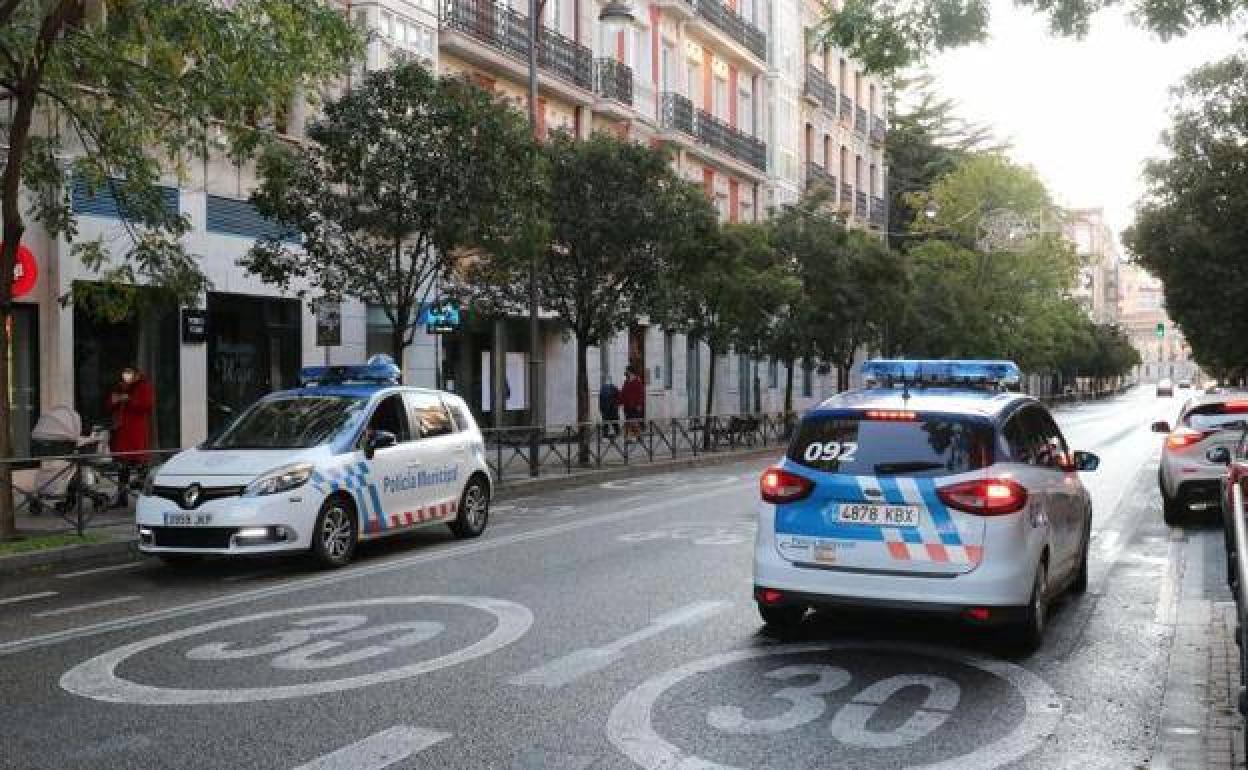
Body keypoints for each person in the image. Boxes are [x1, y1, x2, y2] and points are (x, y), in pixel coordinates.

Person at [107, 366, 154, 508]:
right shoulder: (120, 386)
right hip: (121, 430)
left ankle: (148, 499)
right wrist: (115, 401)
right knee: (122, 467)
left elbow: (147, 405)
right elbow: (110, 403)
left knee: (140, 467)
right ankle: (122, 498)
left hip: (136, 431)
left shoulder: (144, 387)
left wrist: (129, 400)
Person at [621, 367, 645, 440]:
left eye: (627, 371)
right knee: (628, 421)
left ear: (631, 372)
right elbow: (623, 393)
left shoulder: (638, 381)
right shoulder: (626, 382)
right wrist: (622, 402)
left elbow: (641, 394)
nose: (626, 373)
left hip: (635, 405)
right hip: (627, 405)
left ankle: (636, 436)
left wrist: (639, 404)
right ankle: (628, 437)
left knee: (634, 421)